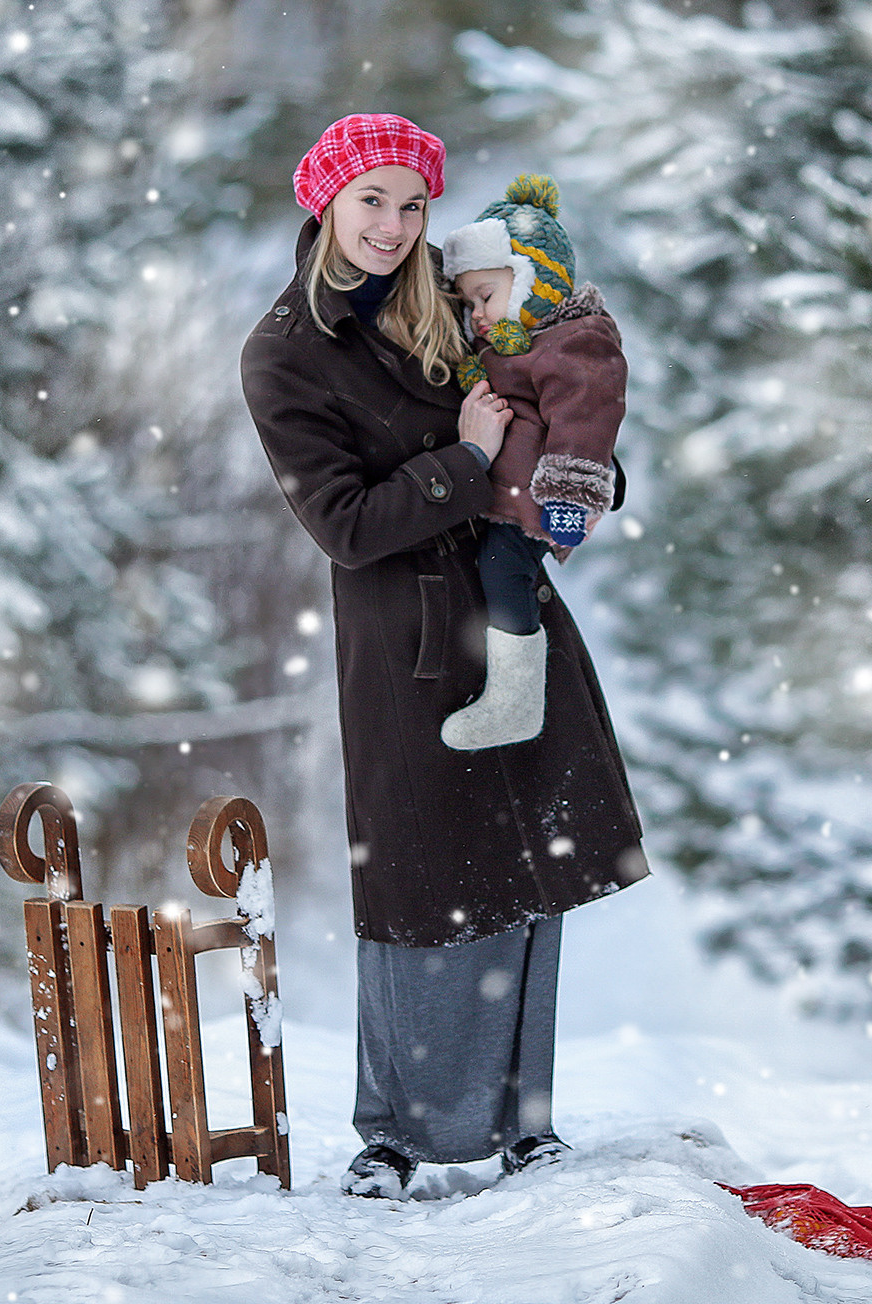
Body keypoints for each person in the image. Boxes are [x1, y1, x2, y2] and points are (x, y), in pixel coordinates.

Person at [239, 113, 648, 1200]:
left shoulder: (461, 304)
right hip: (405, 637)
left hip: (513, 612)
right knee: (417, 881)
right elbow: (345, 522)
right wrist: (465, 462)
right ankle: (394, 1132)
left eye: (412, 203)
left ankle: (526, 1121)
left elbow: (559, 403)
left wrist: (581, 480)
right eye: (370, 200)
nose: (392, 224)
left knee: (529, 874)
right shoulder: (286, 351)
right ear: (325, 203)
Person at [436, 174, 627, 752]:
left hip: (540, 501)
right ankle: (512, 696)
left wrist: (571, 495)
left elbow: (586, 418)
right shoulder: (513, 348)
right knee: (496, 570)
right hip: (507, 499)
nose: (478, 316)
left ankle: (516, 701)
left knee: (503, 569)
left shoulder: (574, 341)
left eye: (488, 296)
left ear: (532, 283)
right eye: (468, 304)